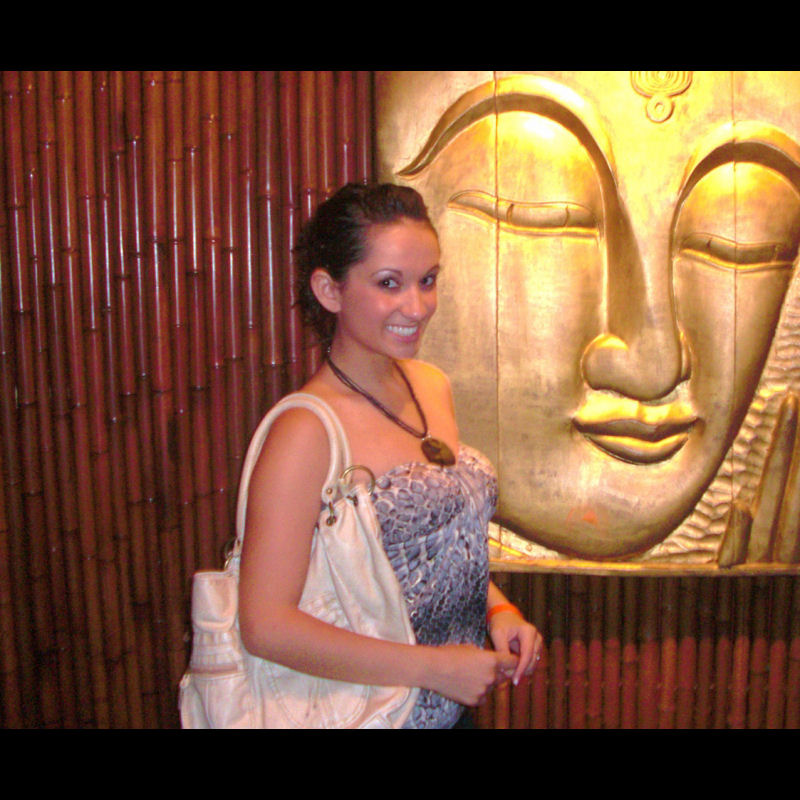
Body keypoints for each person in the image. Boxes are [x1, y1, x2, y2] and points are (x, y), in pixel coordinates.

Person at [237, 182, 543, 728]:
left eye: (428, 280)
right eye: (388, 283)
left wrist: (497, 609)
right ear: (329, 290)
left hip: (451, 707)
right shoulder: (305, 430)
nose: (417, 306)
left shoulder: (430, 385)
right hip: (367, 713)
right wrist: (431, 668)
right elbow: (265, 626)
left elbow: (435, 547)